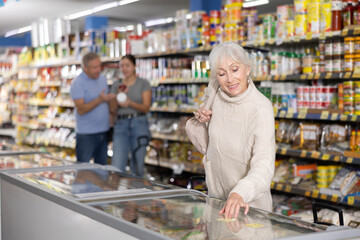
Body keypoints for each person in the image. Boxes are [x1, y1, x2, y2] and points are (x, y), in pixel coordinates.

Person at [194, 42, 275, 219]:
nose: (230, 79)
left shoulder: (260, 108)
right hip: (216, 205)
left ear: (247, 69)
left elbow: (264, 164)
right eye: (222, 73)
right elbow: (206, 149)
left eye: (235, 69)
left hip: (249, 209)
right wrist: (202, 121)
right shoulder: (215, 95)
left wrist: (239, 193)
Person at [110, 54, 152, 177]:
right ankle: (117, 193)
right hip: (121, 125)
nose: (124, 68)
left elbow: (146, 108)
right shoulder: (116, 85)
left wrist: (130, 103)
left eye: (127, 65)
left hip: (139, 124)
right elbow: (112, 109)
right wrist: (117, 97)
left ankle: (137, 194)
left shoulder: (143, 83)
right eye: (122, 65)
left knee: (138, 166)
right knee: (117, 166)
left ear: (134, 66)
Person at [70, 52, 115, 165]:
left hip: (103, 132)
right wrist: (100, 99)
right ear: (85, 68)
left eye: (99, 66)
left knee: (102, 169)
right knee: (83, 170)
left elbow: (106, 101)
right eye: (95, 67)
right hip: (86, 135)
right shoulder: (78, 83)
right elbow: (81, 109)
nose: (98, 70)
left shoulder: (102, 80)